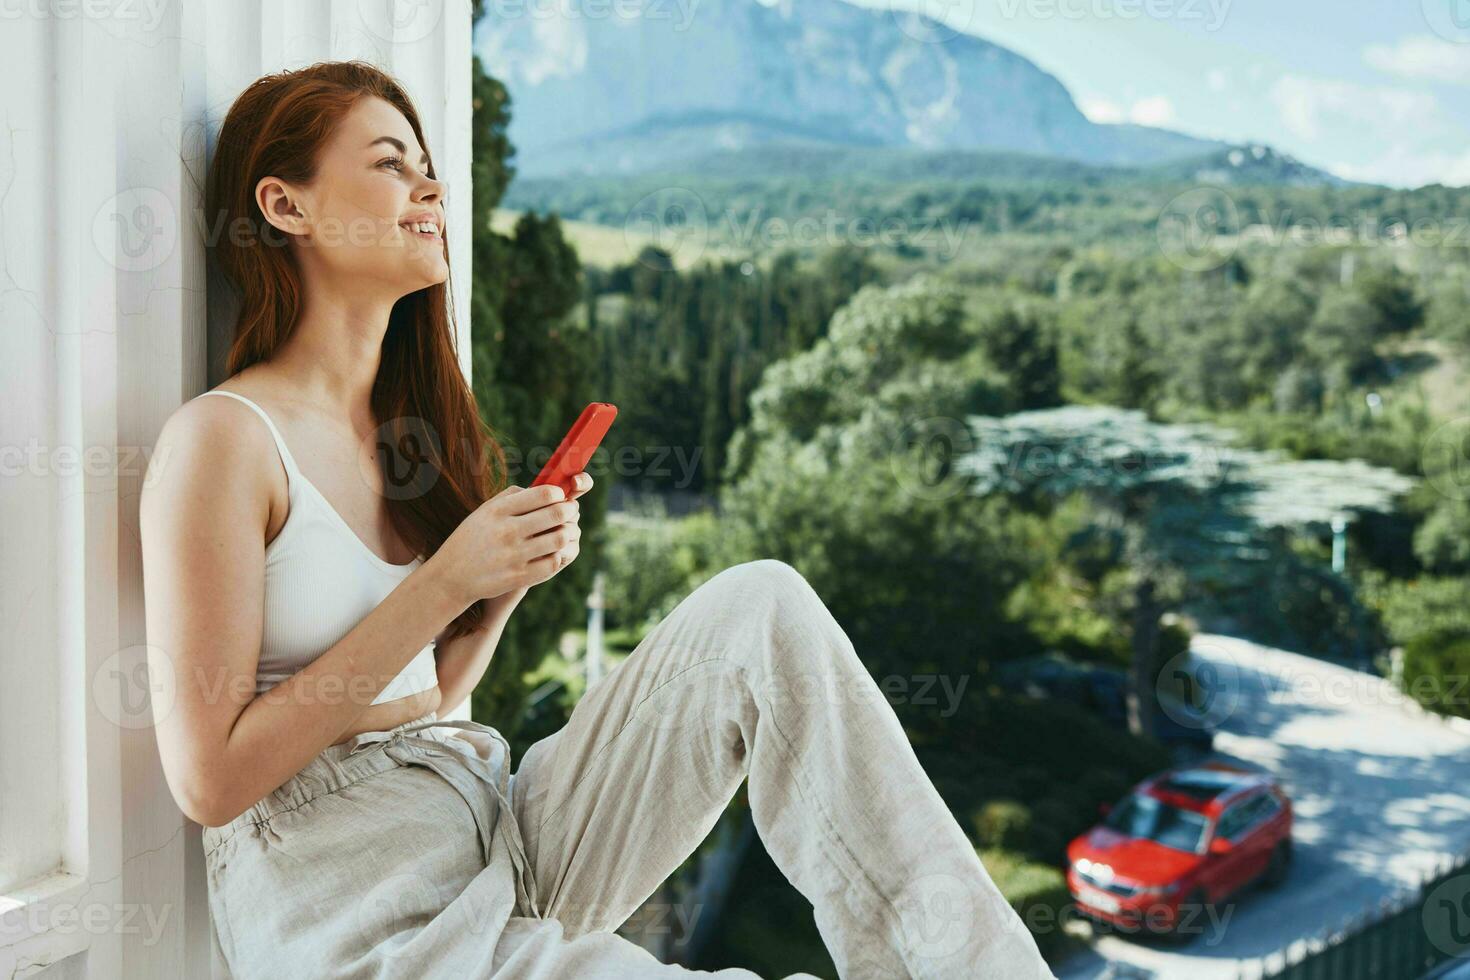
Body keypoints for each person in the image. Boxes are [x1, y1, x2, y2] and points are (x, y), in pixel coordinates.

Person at [139, 60, 1057, 979]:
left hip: (491, 832)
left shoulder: (401, 429)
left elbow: (426, 692)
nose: (431, 186)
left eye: (425, 163)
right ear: (285, 206)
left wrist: (496, 593)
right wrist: (448, 580)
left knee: (759, 610)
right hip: (357, 912)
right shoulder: (225, 440)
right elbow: (211, 780)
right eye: (389, 162)